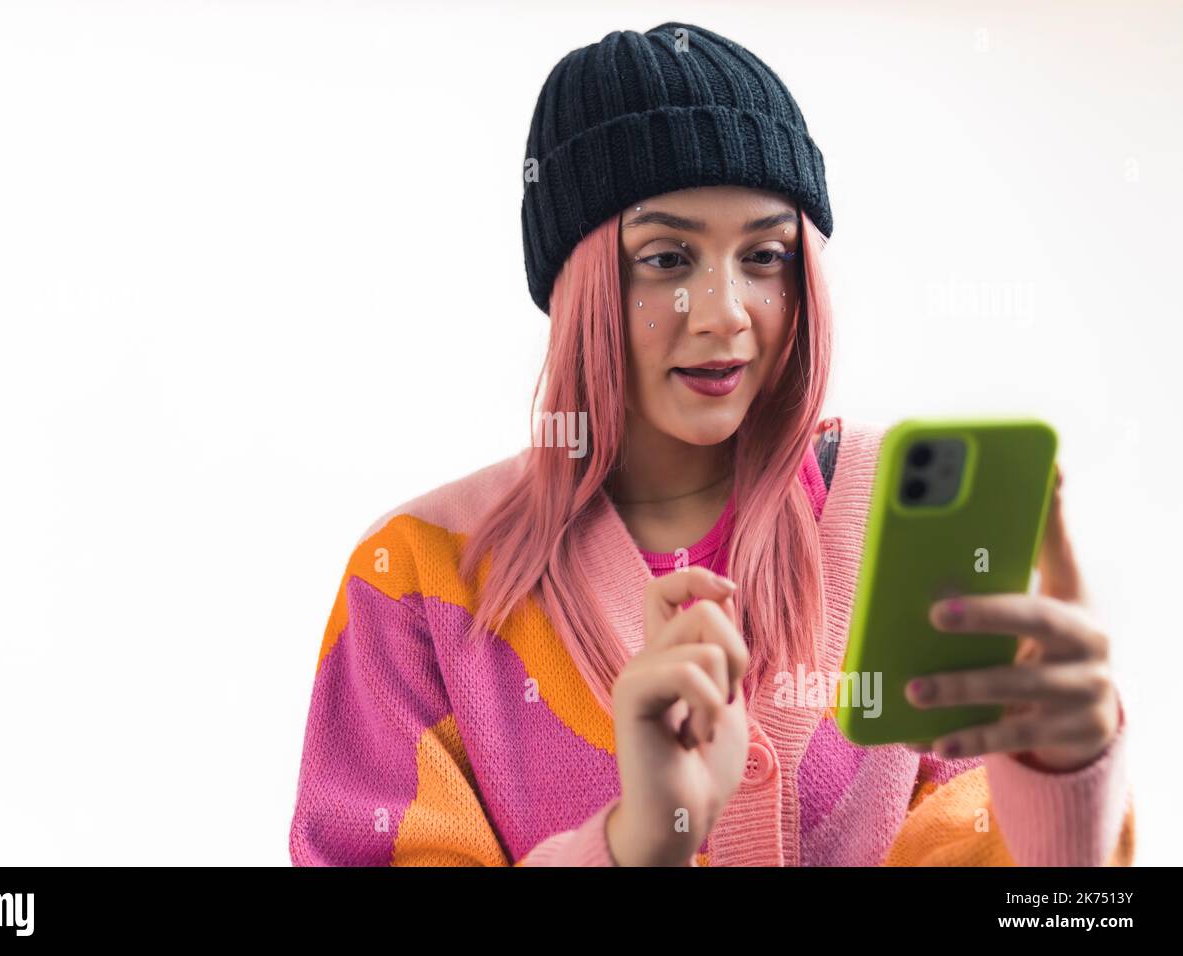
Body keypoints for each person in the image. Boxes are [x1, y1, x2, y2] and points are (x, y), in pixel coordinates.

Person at [288, 21, 1133, 866]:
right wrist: (636, 841)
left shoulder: (902, 525)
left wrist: (1061, 784)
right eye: (665, 258)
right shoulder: (417, 584)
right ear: (578, 285)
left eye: (765, 254)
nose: (726, 311)